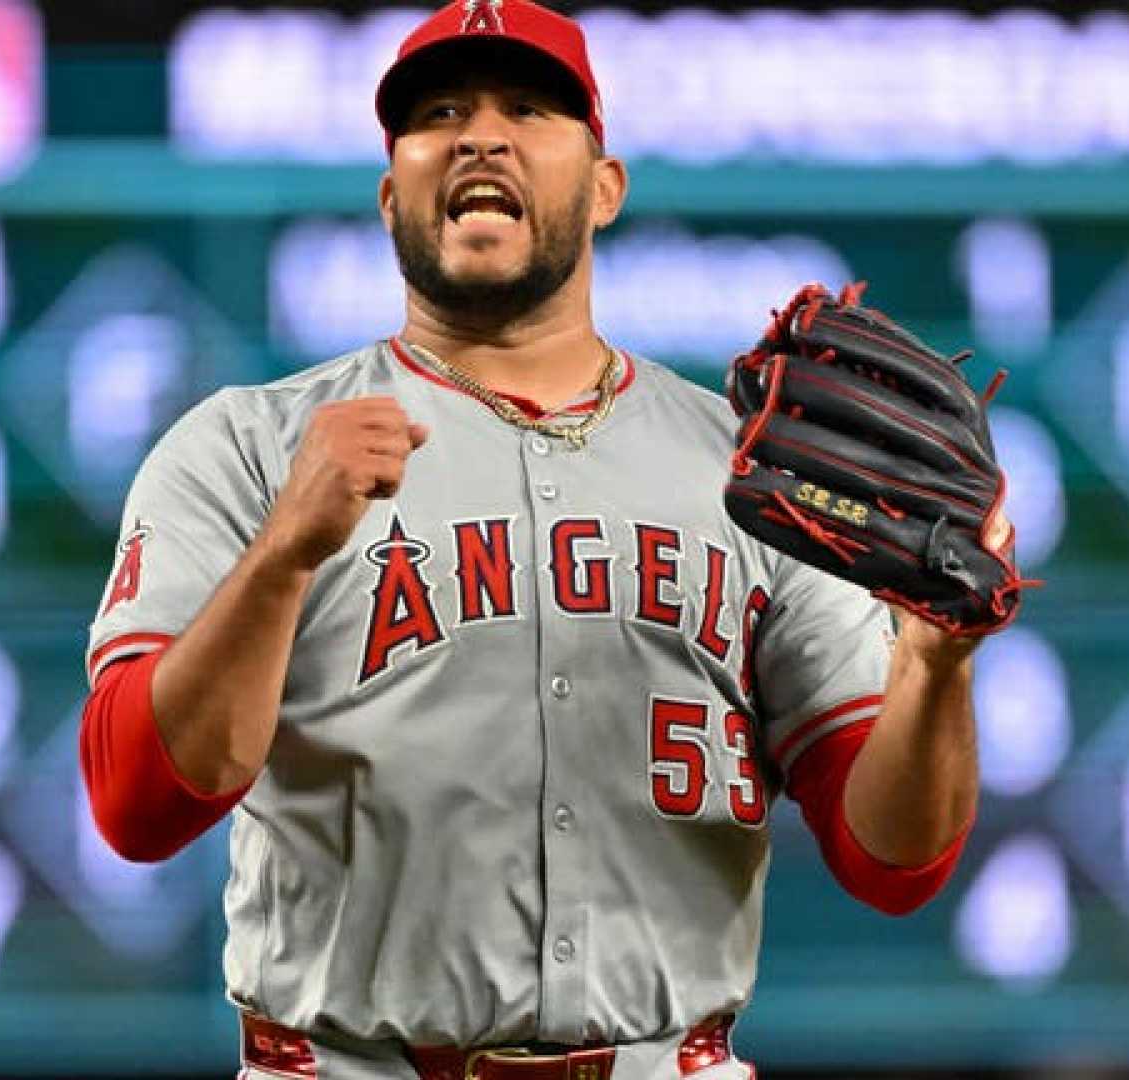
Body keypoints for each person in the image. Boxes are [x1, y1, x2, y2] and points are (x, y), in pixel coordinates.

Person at [80, 2, 992, 1077]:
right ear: (390, 194)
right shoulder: (248, 447)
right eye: (438, 114)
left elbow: (893, 863)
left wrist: (935, 667)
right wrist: (281, 557)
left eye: (527, 107)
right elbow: (136, 804)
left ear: (604, 187)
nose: (478, 135)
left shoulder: (751, 478)